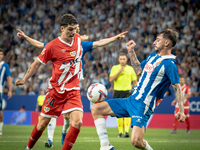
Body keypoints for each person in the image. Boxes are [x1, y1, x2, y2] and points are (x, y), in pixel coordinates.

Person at [15, 15, 127, 149]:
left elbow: (98, 43)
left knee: (78, 122)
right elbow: (36, 64)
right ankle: (28, 148)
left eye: (74, 29)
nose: (73, 32)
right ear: (62, 28)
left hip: (73, 92)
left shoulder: (79, 41)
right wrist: (24, 80)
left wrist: (115, 38)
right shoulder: (52, 46)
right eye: (69, 29)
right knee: (42, 124)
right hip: (56, 92)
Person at [91, 29, 186, 150]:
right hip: (131, 100)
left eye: (158, 40)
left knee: (136, 142)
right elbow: (138, 71)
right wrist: (131, 51)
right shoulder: (152, 56)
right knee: (96, 109)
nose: (154, 42)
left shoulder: (169, 64)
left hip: (143, 105)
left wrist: (181, 111)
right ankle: (105, 146)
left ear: (166, 43)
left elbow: (177, 87)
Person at [109, 52, 137, 138]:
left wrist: (135, 90)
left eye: (123, 59)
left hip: (127, 91)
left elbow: (134, 81)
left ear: (126, 60)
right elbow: (111, 79)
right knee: (118, 112)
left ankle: (127, 131)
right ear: (118, 60)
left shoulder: (130, 69)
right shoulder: (115, 68)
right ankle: (120, 132)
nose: (122, 60)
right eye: (120, 59)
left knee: (127, 111)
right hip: (117, 91)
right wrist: (119, 72)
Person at [0, 48, 12, 135]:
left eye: (1, 54)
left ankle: (0, 130)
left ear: (2, 56)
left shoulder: (4, 66)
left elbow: (9, 78)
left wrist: (10, 90)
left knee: (0, 112)